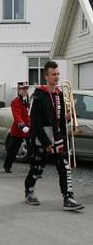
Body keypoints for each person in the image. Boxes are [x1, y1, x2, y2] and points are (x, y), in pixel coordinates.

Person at [24, 61, 84, 211]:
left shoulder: (60, 93)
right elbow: (35, 123)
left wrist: (68, 117)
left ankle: (68, 197)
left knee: (64, 167)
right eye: (53, 74)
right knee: (37, 168)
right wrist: (45, 142)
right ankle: (29, 190)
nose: (56, 77)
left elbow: (60, 117)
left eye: (57, 74)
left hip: (57, 137)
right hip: (42, 138)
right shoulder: (38, 95)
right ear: (46, 76)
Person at [3, 81, 31, 173]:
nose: (25, 91)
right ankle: (7, 166)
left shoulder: (30, 101)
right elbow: (17, 115)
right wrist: (22, 125)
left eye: (26, 89)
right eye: (23, 89)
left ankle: (33, 169)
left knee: (32, 150)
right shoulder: (15, 102)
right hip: (19, 129)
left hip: (30, 129)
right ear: (19, 90)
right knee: (13, 150)